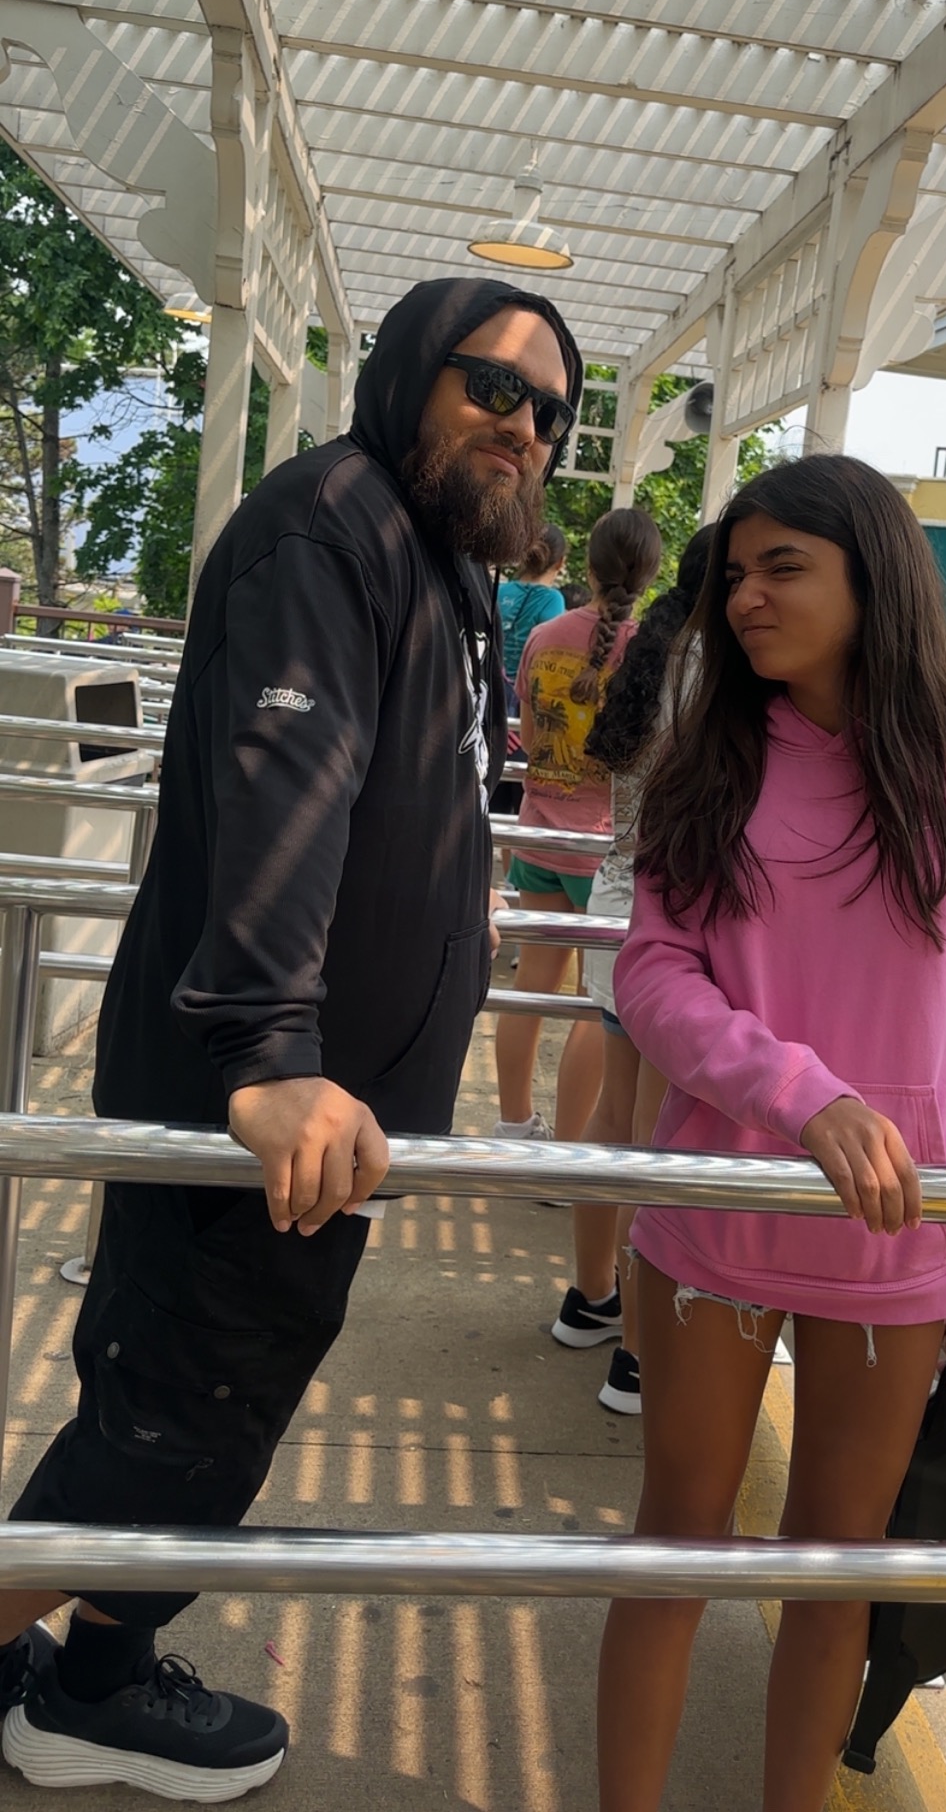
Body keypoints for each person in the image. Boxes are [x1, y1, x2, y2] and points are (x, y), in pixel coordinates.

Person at [0, 275, 582, 1802]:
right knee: (168, 1424)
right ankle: (62, 1674)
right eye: (491, 385)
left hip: (334, 1115)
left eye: (550, 412)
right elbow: (287, 775)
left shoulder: (440, 564)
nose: (524, 427)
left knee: (204, 1407)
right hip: (258, 1100)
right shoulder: (333, 528)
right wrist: (270, 1051)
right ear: (407, 373)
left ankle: (96, 1678)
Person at [597, 454, 946, 1812]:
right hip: (714, 1226)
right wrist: (802, 1094)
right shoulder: (710, 761)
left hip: (898, 1253)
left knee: (834, 1573)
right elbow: (653, 975)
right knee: (674, 1550)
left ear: (875, 575)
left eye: (782, 567)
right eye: (735, 573)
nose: (744, 597)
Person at [550, 526, 714, 1415]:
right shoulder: (718, 671)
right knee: (656, 1136)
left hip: (616, 903)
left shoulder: (650, 651)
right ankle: (642, 1357)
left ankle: (591, 1299)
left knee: (613, 1118)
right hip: (673, 926)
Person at [493, 507, 662, 1145]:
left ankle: (514, 1124)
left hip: (540, 835)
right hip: (602, 852)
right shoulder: (648, 654)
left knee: (532, 988)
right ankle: (570, 1146)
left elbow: (533, 740)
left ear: (586, 568)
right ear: (649, 575)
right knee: (597, 1008)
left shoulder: (545, 636)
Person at [498, 527, 567, 711]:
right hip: (524, 699)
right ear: (560, 562)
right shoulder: (553, 600)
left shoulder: (500, 591)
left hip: (489, 687)